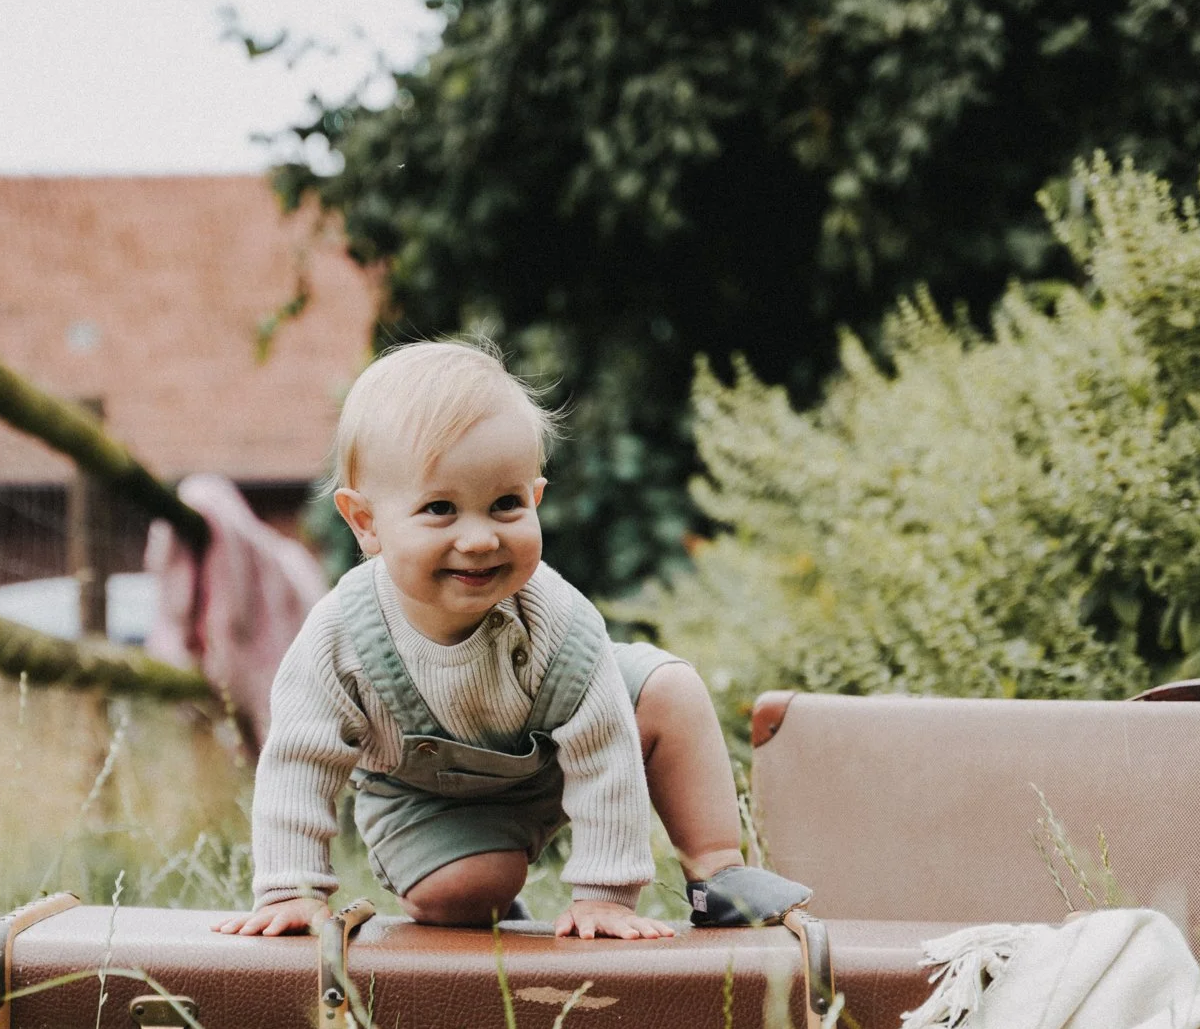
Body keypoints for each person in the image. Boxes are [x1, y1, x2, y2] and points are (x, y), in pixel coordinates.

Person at [216, 339, 811, 941]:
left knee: (668, 688)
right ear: (365, 522)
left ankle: (718, 871)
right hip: (428, 797)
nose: (478, 539)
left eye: (505, 505)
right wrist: (291, 888)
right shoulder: (340, 637)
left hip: (559, 752)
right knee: (465, 894)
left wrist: (605, 896)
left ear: (537, 498)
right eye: (440, 509)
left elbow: (605, 745)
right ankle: (491, 902)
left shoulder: (555, 619)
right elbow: (300, 757)